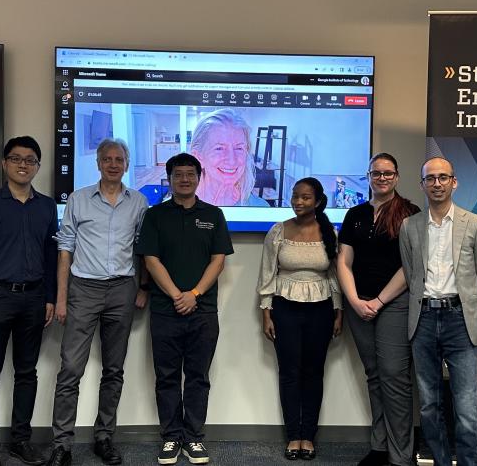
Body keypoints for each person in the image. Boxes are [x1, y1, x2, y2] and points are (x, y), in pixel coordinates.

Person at [46, 138, 149, 466]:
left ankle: (104, 437)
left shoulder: (139, 202)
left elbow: (140, 249)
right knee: (70, 370)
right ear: (99, 163)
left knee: (114, 369)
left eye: (120, 159)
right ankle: (62, 443)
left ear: (127, 165)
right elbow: (65, 250)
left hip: (122, 290)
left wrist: (141, 287)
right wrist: (61, 298)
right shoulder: (78, 200)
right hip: (83, 289)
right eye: (108, 159)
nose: (114, 164)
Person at [136, 153, 234, 465]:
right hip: (165, 310)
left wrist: (194, 293)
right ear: (169, 178)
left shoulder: (214, 214)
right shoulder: (155, 215)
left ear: (199, 176)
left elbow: (218, 260)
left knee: (197, 376)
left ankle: (193, 438)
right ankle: (170, 438)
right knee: (166, 376)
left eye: (190, 174)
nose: (184, 179)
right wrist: (178, 294)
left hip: (203, 311)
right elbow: (150, 260)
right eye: (178, 174)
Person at [0, 136, 58, 466]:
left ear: (38, 165)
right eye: (16, 158)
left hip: (34, 298)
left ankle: (21, 439)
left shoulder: (47, 206)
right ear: (5, 163)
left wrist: (49, 297)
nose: (23, 164)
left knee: (26, 372)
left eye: (30, 159)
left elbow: (51, 255)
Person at [399, 157, 477, 466]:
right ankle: (439, 461)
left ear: (454, 182)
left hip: (460, 320)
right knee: (428, 404)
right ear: (422, 184)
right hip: (423, 319)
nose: (436, 183)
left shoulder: (476, 224)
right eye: (430, 178)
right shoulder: (409, 226)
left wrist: (467, 308)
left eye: (443, 177)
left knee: (466, 406)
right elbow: (412, 273)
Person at [336, 153, 420, 466]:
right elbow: (343, 261)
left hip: (395, 303)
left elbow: (410, 265)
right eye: (376, 173)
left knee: (394, 375)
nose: (381, 178)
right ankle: (380, 446)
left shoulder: (410, 213)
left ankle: (401, 456)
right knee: (374, 375)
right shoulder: (355, 214)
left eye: (387, 173)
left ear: (396, 177)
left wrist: (380, 300)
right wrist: (356, 300)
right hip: (359, 303)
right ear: (368, 176)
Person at [257, 178, 343, 461]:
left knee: (314, 373)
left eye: (305, 197)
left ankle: (309, 436)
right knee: (290, 373)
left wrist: (338, 312)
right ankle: (293, 435)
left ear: (318, 201)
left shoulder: (330, 232)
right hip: (285, 309)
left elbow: (334, 277)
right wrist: (266, 312)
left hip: (321, 310)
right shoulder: (278, 231)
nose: (298, 202)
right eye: (295, 196)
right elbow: (267, 274)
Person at [189, 108, 269, 207]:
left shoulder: (260, 208)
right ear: (197, 157)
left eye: (239, 148)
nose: (232, 161)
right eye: (219, 148)